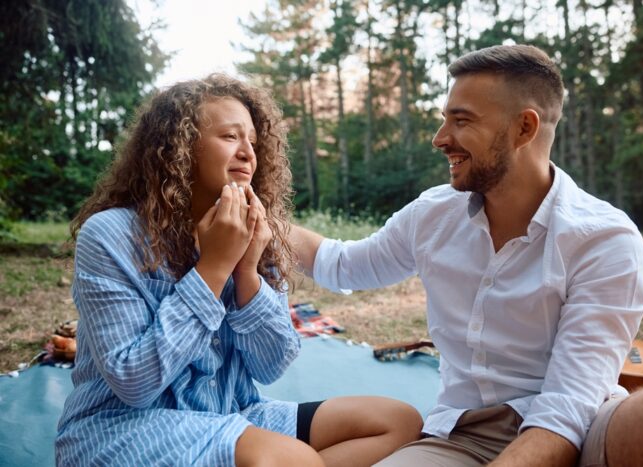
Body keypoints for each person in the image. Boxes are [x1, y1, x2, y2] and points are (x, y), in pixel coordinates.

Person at [291, 45, 643, 467]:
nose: (440, 138)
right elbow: (342, 264)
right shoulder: (430, 216)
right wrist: (261, 222)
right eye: (444, 119)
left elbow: (569, 405)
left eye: (461, 120)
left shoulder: (605, 239)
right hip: (463, 441)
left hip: (586, 430)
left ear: (524, 128)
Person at [56, 74, 423, 467]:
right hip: (123, 428)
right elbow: (135, 383)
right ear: (177, 149)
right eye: (230, 137)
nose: (248, 152)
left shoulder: (257, 230)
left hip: (228, 412)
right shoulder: (112, 234)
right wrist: (213, 268)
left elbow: (271, 365)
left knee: (398, 423)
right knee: (292, 459)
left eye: (253, 140)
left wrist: (247, 272)